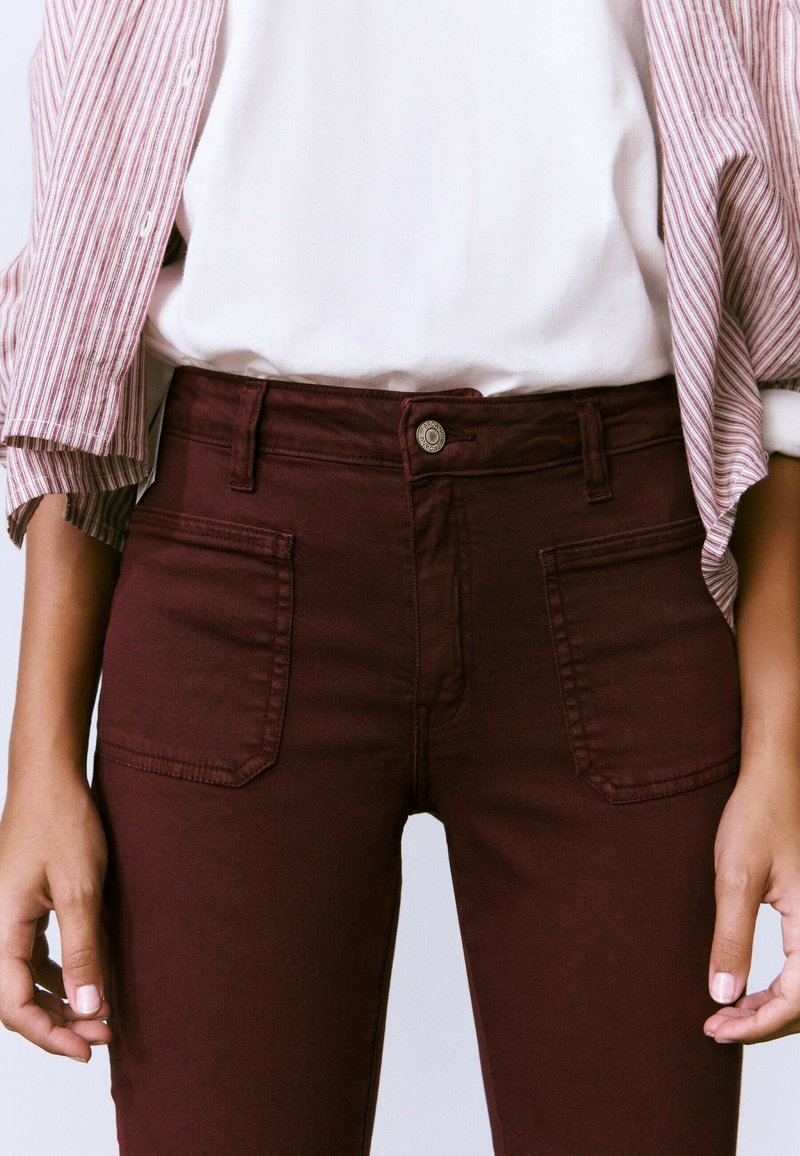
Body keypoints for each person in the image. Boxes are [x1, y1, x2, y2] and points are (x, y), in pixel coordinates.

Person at [0, 1, 799, 1153]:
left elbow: (777, 341)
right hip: (237, 563)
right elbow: (87, 319)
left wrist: (783, 752)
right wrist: (36, 760)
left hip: (614, 564)